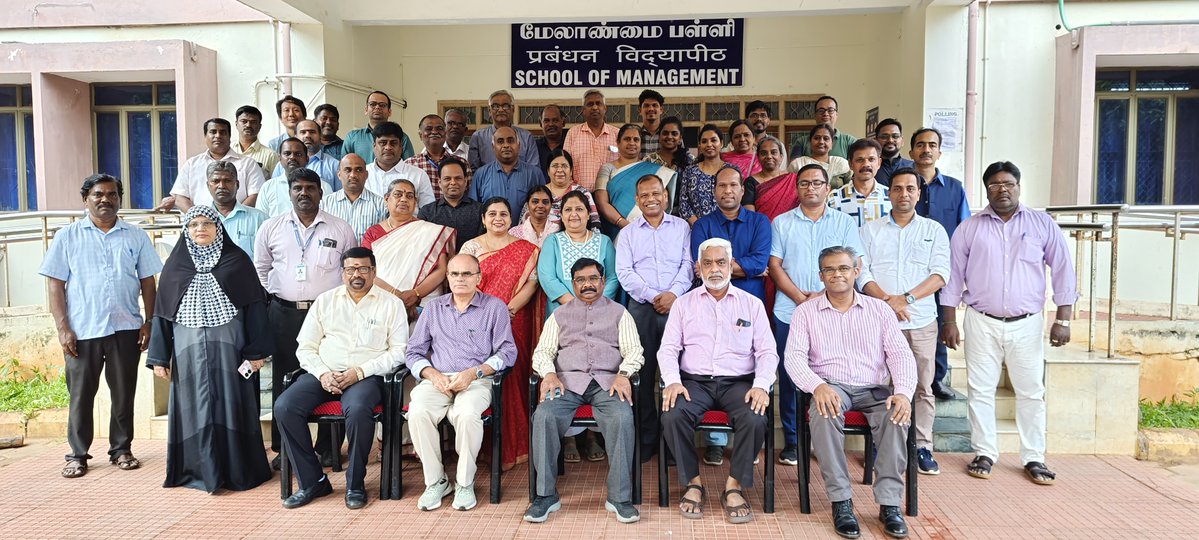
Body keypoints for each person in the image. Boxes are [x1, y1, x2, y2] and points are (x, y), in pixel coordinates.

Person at [941, 161, 1078, 486]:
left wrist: (1063, 318)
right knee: (981, 389)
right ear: (986, 189)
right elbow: (952, 276)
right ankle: (985, 452)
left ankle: (1034, 457)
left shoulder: (1042, 224)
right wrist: (949, 320)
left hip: (1027, 323)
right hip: (981, 320)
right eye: (995, 185)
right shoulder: (970, 228)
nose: (1002, 190)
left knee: (1031, 392)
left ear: (1018, 186)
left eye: (1008, 184)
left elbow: (1063, 270)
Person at [784, 245, 918, 540]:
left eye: (844, 268)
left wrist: (904, 392)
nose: (837, 275)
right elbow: (793, 358)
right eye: (829, 270)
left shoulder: (880, 310)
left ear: (856, 271)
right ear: (821, 276)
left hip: (874, 389)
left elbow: (900, 355)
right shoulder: (806, 312)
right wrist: (817, 386)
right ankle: (841, 502)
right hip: (832, 387)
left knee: (897, 414)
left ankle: (889, 504)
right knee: (824, 409)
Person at [39, 174, 161, 479]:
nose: (105, 199)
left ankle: (121, 449)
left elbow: (148, 282)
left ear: (119, 199)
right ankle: (77, 454)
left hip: (125, 327)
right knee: (81, 395)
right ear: (85, 200)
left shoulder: (135, 236)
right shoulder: (67, 236)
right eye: (98, 195)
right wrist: (63, 327)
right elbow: (55, 284)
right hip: (82, 330)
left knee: (123, 393)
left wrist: (148, 321)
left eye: (111, 194)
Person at [146, 205, 272, 493]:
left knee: (232, 404)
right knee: (193, 409)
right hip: (187, 353)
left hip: (231, 350)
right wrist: (158, 357)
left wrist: (256, 352)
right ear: (186, 230)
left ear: (218, 227)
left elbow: (255, 309)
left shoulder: (237, 261)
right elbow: (163, 314)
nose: (200, 229)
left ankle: (239, 471)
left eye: (206, 223)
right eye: (193, 225)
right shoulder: (176, 266)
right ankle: (196, 470)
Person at [275, 246, 408, 510]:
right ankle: (313, 481)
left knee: (358, 410)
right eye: (350, 269)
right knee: (284, 407)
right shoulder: (325, 301)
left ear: (374, 271)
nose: (356, 274)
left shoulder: (391, 304)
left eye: (363, 269)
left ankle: (355, 482)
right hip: (324, 373)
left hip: (366, 376)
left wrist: (359, 372)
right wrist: (323, 373)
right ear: (342, 272)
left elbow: (399, 352)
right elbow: (306, 346)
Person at [659, 238, 777, 524]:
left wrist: (761, 384)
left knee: (755, 416)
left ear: (730, 265)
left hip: (738, 382)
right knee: (673, 414)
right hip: (694, 382)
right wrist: (673, 381)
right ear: (698, 268)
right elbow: (668, 349)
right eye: (708, 263)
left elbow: (767, 351)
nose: (715, 269)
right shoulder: (684, 304)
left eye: (721, 262)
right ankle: (694, 483)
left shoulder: (752, 304)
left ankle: (734, 486)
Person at [525, 258, 644, 524]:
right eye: (580, 280)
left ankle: (619, 498)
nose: (587, 284)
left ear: (603, 282)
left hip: (608, 383)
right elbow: (543, 352)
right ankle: (545, 496)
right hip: (566, 383)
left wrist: (624, 374)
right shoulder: (559, 315)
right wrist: (549, 374)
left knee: (622, 418)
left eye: (593, 279)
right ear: (573, 283)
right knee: (544, 416)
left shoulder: (620, 313)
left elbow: (634, 351)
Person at [253, 168, 359, 467]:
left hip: (328, 314)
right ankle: (285, 448)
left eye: (310, 188)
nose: (303, 193)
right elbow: (261, 268)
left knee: (330, 374)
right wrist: (273, 297)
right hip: (284, 312)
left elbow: (350, 269)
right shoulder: (271, 228)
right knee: (284, 380)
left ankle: (328, 447)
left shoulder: (339, 228)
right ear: (289, 192)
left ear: (320, 193)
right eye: (297, 188)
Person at [768, 164, 868, 467]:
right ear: (797, 189)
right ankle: (794, 441)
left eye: (817, 183)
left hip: (834, 312)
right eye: (804, 184)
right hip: (791, 310)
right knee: (790, 376)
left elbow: (854, 263)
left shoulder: (843, 222)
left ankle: (821, 439)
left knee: (828, 374)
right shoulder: (782, 222)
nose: (810, 188)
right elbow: (775, 266)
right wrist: (801, 298)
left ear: (828, 188)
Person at [405, 254, 518, 511]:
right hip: (439, 379)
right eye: (455, 274)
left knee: (467, 415)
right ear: (447, 278)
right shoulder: (434, 309)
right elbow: (413, 352)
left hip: (475, 380)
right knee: (418, 412)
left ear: (479, 278)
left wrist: (475, 373)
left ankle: (465, 483)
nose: (460, 279)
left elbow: (508, 353)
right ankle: (436, 481)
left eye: (467, 274)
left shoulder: (494, 307)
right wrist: (432, 374)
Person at [860, 168, 951, 475]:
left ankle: (922, 447)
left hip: (921, 321)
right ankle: (881, 445)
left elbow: (940, 274)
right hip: (880, 322)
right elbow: (863, 273)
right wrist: (888, 302)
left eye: (910, 189)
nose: (903, 194)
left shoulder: (934, 230)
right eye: (897, 188)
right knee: (881, 386)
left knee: (923, 387)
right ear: (889, 193)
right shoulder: (871, 230)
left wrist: (906, 299)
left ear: (918, 193)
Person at [689, 166, 772, 460]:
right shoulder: (702, 226)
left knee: (743, 367)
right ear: (714, 191)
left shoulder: (760, 222)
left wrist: (720, 269)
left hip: (750, 302)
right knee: (713, 362)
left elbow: (761, 260)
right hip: (708, 302)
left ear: (741, 189)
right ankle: (714, 441)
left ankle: (747, 441)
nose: (727, 191)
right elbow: (702, 265)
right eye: (721, 186)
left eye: (733, 185)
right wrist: (742, 268)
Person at [614, 174, 692, 460]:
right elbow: (624, 272)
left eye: (656, 194)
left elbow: (688, 264)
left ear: (665, 196)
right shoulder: (629, 233)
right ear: (637, 200)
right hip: (642, 310)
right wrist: (653, 296)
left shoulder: (682, 227)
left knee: (676, 373)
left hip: (678, 307)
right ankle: (646, 441)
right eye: (644, 195)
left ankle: (673, 444)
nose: (651, 199)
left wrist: (673, 294)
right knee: (643, 376)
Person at [460, 197, 541, 470]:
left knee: (515, 379)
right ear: (483, 218)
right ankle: (488, 450)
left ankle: (517, 447)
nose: (498, 218)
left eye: (504, 214)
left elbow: (531, 283)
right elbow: (465, 283)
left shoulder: (527, 249)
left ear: (512, 218)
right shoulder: (471, 247)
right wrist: (492, 312)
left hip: (516, 318)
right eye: (492, 214)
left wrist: (510, 309)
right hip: (479, 321)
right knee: (485, 379)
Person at [910, 127, 972, 401]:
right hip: (908, 268)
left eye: (931, 145)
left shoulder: (955, 188)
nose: (926, 150)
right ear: (911, 151)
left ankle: (937, 379)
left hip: (941, 270)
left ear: (939, 152)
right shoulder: (903, 186)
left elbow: (964, 229)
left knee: (940, 321)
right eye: (920, 145)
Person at [362, 179, 454, 323]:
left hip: (424, 303)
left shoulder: (430, 231)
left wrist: (415, 294)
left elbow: (442, 269)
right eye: (398, 194)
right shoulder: (373, 233)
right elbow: (365, 269)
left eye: (410, 196)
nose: (404, 199)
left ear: (415, 202)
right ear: (387, 199)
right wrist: (397, 295)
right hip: (382, 302)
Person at [537, 191, 619, 316]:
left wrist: (596, 305)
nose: (573, 214)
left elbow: (613, 277)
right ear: (562, 216)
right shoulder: (552, 241)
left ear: (588, 214)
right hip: (562, 311)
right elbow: (547, 277)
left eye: (579, 209)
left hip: (599, 312)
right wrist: (574, 305)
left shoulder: (604, 241)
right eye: (568, 209)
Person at [595, 124, 677, 237]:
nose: (632, 143)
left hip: (650, 229)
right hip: (617, 230)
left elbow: (663, 200)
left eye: (636, 139)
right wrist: (623, 224)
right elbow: (601, 202)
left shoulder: (653, 168)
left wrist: (648, 224)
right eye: (627, 139)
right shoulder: (607, 168)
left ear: (640, 144)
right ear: (618, 143)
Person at [166, 118, 265, 211]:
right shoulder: (191, 164)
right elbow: (180, 197)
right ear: (205, 136)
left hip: (239, 224)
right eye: (213, 132)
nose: (218, 136)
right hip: (200, 226)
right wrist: (200, 218)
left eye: (222, 132)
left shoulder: (248, 164)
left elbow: (256, 195)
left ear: (229, 136)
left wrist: (233, 217)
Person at [469, 126, 547, 215]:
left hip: (525, 228)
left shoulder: (535, 174)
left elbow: (544, 207)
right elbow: (474, 211)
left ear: (519, 145)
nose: (506, 145)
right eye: (500, 141)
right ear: (493, 147)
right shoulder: (480, 174)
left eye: (510, 141)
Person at [256, 138, 334, 218]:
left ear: (307, 159)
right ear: (279, 158)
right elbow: (261, 219)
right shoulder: (268, 187)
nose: (292, 157)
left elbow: (329, 217)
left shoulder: (323, 187)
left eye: (298, 154)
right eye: (287, 154)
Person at [419, 157, 483, 253]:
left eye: (458, 178)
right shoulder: (427, 212)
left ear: (465, 181)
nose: (453, 182)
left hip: (472, 264)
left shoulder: (480, 210)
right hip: (437, 266)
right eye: (447, 179)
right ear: (440, 183)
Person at [363, 122, 435, 208]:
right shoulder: (363, 174)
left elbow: (428, 211)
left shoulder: (418, 175)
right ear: (374, 146)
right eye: (383, 143)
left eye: (393, 143)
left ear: (401, 147)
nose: (388, 147)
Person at [205, 161, 268, 258]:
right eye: (216, 181)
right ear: (208, 186)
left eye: (227, 181)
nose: (221, 186)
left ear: (237, 184)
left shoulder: (260, 219)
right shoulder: (199, 221)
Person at [678, 123, 738, 225]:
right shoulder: (690, 171)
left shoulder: (732, 170)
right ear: (700, 146)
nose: (709, 144)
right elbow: (684, 204)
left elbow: (738, 199)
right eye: (704, 141)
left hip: (728, 227)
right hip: (698, 228)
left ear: (721, 143)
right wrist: (701, 226)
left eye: (713, 140)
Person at [320, 153, 387, 242]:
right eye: (347, 170)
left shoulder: (381, 205)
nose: (353, 175)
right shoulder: (325, 204)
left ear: (366, 175)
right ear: (339, 175)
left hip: (368, 255)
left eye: (359, 170)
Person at [829, 138, 892, 228]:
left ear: (879, 163)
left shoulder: (891, 197)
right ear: (850, 164)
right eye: (860, 160)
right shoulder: (834, 198)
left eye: (871, 159)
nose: (866, 164)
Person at [562, 89, 618, 190]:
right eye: (590, 104)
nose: (595, 107)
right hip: (581, 197)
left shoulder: (617, 134)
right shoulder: (572, 133)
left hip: (611, 195)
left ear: (605, 108)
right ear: (583, 110)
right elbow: (565, 167)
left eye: (598, 103)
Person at [406, 114, 470, 202]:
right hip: (421, 215)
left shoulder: (461, 163)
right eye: (429, 129)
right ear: (420, 135)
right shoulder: (410, 165)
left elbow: (468, 196)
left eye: (439, 129)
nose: (435, 132)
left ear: (445, 133)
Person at [530, 149, 599, 230]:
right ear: (548, 171)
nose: (559, 170)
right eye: (555, 166)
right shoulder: (539, 193)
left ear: (571, 171)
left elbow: (594, 226)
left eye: (564, 166)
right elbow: (525, 222)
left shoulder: (583, 193)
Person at [468, 90, 538, 169]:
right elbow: (474, 171)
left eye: (505, 106)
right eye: (495, 106)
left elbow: (534, 170)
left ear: (513, 109)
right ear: (489, 111)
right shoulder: (478, 137)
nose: (500, 110)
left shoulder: (526, 137)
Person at [343, 90, 415, 163]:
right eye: (372, 104)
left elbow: (409, 165)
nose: (377, 107)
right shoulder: (352, 137)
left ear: (389, 112)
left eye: (382, 105)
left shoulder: (402, 137)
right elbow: (344, 167)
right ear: (366, 110)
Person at [270, 119, 341, 190]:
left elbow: (339, 195)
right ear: (295, 136)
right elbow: (275, 189)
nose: (307, 135)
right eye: (303, 132)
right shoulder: (281, 165)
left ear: (320, 136)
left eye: (312, 132)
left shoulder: (334, 165)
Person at [742, 135, 798, 220]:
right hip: (763, 229)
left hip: (791, 229)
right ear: (758, 157)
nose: (769, 156)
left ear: (781, 157)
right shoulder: (750, 182)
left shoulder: (792, 180)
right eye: (763, 153)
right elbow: (750, 216)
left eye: (774, 152)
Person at [789, 95, 857, 160]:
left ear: (836, 115)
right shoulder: (801, 142)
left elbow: (856, 166)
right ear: (815, 115)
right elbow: (794, 167)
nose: (826, 114)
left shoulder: (849, 141)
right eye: (821, 110)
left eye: (830, 110)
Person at [789, 124, 851, 190]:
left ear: (832, 143)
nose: (821, 142)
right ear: (810, 142)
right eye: (816, 138)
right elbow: (789, 190)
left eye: (826, 138)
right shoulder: (797, 164)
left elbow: (851, 188)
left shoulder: (841, 163)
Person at [233, 105, 280, 178]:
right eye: (244, 121)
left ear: (260, 126)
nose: (248, 125)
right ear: (236, 124)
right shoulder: (228, 150)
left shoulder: (270, 155)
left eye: (253, 122)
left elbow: (276, 183)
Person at [873, 118, 914, 186]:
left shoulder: (913, 167)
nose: (890, 140)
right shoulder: (869, 168)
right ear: (875, 141)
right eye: (884, 137)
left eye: (895, 136)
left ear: (902, 141)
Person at [536, 104, 566, 174]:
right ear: (541, 124)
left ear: (563, 122)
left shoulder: (570, 146)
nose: (551, 124)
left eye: (555, 120)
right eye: (546, 121)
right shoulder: (534, 147)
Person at [638, 89, 665, 157]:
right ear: (640, 110)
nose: (651, 109)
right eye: (646, 105)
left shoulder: (670, 136)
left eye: (654, 105)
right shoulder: (636, 136)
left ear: (661, 110)